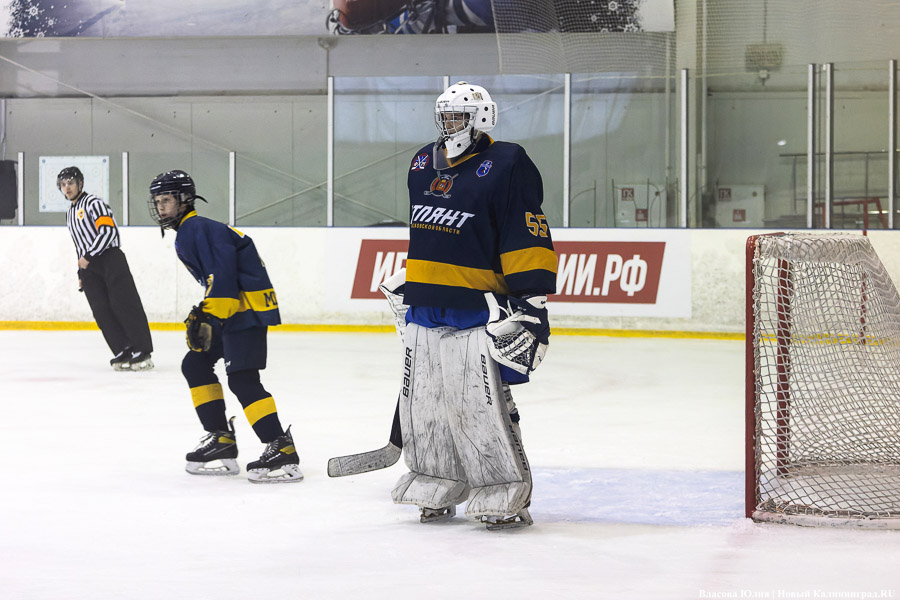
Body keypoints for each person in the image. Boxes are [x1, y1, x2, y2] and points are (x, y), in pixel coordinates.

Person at [387, 82, 557, 529]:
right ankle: (434, 479)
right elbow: (423, 230)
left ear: (483, 117)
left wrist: (532, 300)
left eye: (459, 116)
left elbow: (525, 230)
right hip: (424, 305)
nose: (450, 125)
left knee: (477, 407)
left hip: (476, 307)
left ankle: (503, 491)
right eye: (445, 116)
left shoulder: (508, 162)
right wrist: (412, 284)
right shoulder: (422, 160)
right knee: (423, 406)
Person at [148, 170, 303, 484]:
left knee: (243, 380)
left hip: (245, 311)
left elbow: (223, 276)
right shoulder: (190, 230)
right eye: (158, 201)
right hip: (232, 309)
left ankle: (280, 445)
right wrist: (209, 313)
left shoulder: (196, 228)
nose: (161, 207)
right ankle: (221, 438)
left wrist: (209, 315)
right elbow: (218, 281)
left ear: (184, 199)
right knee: (195, 364)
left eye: (166, 200)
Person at [61, 166, 154, 371]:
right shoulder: (69, 213)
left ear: (80, 184)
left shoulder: (95, 203)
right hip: (88, 267)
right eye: (63, 184)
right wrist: (80, 271)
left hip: (110, 259)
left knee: (124, 303)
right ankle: (123, 348)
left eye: (70, 182)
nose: (67, 187)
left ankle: (142, 349)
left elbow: (107, 231)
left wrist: (89, 256)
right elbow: (79, 244)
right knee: (101, 310)